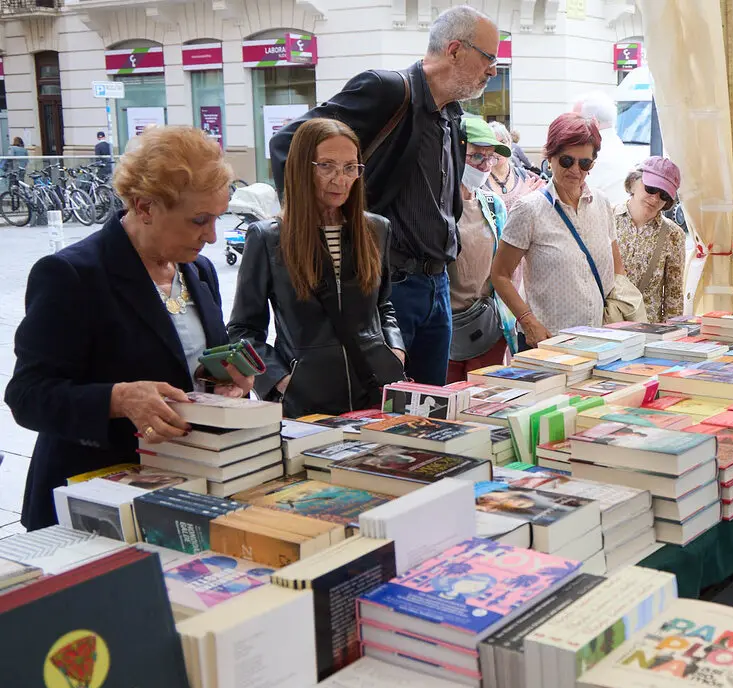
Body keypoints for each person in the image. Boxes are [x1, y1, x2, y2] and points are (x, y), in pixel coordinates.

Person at [5, 126, 253, 530]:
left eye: (217, 219)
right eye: (199, 220)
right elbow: (27, 396)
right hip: (95, 498)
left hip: (183, 483)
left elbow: (190, 364)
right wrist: (119, 399)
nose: (211, 236)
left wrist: (224, 382)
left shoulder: (198, 271)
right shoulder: (72, 275)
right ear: (145, 207)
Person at [270, 5, 499, 386]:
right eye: (489, 58)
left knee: (429, 407)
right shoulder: (388, 90)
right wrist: (315, 232)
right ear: (455, 50)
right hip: (391, 287)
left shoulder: (453, 116)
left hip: (438, 286)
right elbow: (289, 143)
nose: (493, 70)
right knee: (381, 405)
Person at [229, 118, 405, 417]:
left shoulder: (376, 229)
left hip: (376, 388)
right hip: (306, 399)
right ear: (302, 168)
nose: (340, 179)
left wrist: (395, 350)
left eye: (350, 167)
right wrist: (280, 379)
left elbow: (383, 304)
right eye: (327, 166)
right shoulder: (268, 238)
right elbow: (243, 330)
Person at [491, 112, 623, 348]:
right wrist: (528, 322)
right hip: (547, 342)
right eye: (566, 161)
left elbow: (617, 269)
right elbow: (500, 275)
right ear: (550, 157)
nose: (575, 170)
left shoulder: (602, 203)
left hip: (598, 339)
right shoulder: (529, 209)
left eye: (585, 163)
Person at [446, 117, 516, 383]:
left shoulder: (494, 205)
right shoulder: (438, 207)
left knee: (486, 399)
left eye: (491, 158)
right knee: (447, 401)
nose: (485, 166)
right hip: (446, 329)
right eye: (476, 156)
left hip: (488, 328)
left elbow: (505, 269)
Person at [616, 157, 685, 322]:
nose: (655, 199)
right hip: (605, 325)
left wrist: (672, 333)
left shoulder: (673, 235)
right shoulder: (606, 218)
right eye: (651, 188)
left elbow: (674, 297)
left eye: (664, 195)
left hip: (647, 328)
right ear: (633, 183)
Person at [573, 91, 630, 206]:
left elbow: (570, 200)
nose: (570, 127)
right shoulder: (618, 146)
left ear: (594, 122)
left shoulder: (593, 154)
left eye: (575, 121)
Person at [485, 121, 544, 206]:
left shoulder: (527, 177)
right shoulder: (479, 181)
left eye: (502, 142)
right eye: (492, 144)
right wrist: (521, 200)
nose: (498, 148)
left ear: (509, 143)